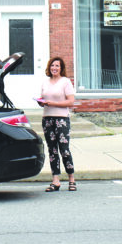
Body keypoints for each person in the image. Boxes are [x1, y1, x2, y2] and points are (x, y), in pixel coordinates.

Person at [37, 56, 77, 192]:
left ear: (61, 68)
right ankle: (56, 181)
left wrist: (53, 103)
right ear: (49, 67)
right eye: (52, 65)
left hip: (61, 119)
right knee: (52, 150)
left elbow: (71, 102)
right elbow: (43, 99)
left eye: (57, 66)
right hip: (47, 119)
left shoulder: (65, 82)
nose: (54, 68)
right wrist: (41, 102)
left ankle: (71, 178)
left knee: (64, 150)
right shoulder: (45, 82)